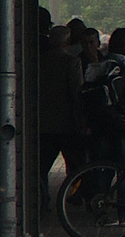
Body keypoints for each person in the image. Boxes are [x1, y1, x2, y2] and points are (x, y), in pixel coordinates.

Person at [35, 26, 87, 220]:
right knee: (76, 165)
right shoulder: (71, 62)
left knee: (41, 167)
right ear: (67, 42)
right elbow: (76, 93)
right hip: (67, 124)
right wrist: (80, 121)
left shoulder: (38, 62)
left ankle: (42, 202)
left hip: (43, 123)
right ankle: (76, 196)